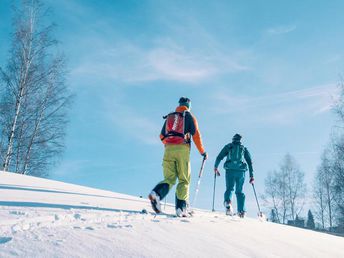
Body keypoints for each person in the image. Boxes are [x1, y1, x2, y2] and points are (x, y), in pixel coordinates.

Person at [149, 97, 208, 217]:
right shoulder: (189, 116)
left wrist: (170, 144)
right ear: (189, 105)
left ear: (179, 104)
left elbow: (161, 136)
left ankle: (156, 194)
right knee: (184, 179)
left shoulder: (170, 116)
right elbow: (196, 135)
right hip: (182, 149)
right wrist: (203, 152)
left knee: (169, 178)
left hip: (168, 149)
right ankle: (181, 209)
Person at [214, 134, 254, 218]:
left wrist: (216, 167)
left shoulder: (228, 146)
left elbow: (219, 157)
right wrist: (251, 176)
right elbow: (250, 162)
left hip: (230, 170)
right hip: (241, 172)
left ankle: (228, 203)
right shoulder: (243, 148)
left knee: (229, 188)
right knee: (239, 191)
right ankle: (241, 211)